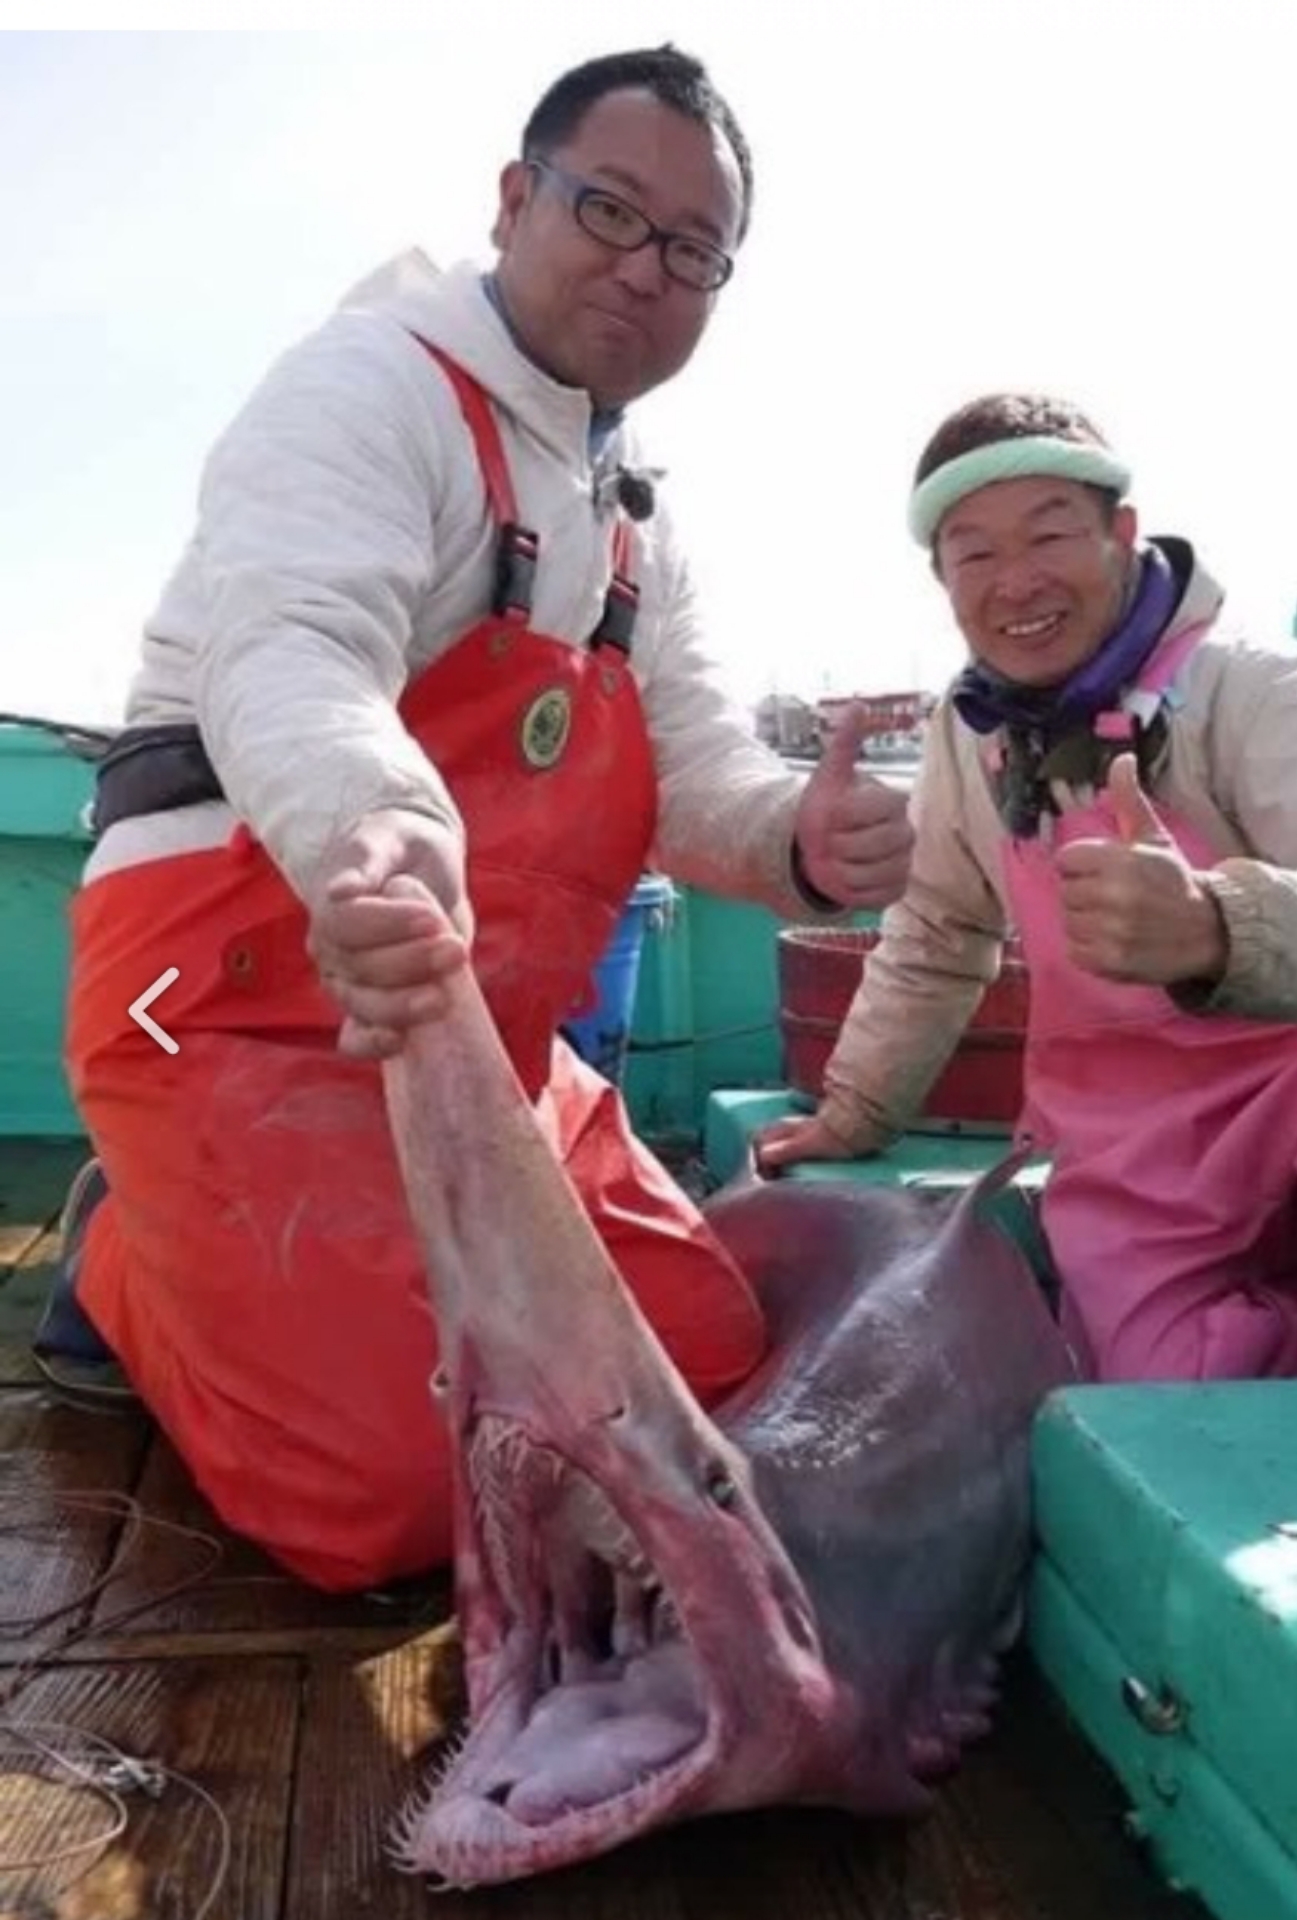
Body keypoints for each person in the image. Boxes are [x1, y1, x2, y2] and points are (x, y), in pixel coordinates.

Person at [39, 45, 912, 1593]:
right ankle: (123, 1256)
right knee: (393, 1493)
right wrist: (375, 828)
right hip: (225, 1002)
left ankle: (240, 1255)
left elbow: (694, 776)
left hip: (477, 1053)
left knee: (700, 1362)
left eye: (693, 250)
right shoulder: (366, 383)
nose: (646, 270)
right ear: (515, 201)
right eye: (609, 212)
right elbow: (293, 652)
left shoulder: (639, 527)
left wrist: (797, 841)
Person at [756, 392, 1297, 1383]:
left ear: (1123, 535)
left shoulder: (1258, 685)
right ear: (943, 581)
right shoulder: (962, 738)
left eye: (1050, 534)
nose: (1015, 581)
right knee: (1172, 1387)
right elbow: (936, 929)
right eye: (974, 554)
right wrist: (855, 1109)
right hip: (1141, 1143)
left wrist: (1220, 926)